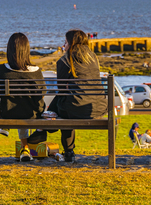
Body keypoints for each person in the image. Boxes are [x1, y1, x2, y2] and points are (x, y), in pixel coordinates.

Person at [28, 29, 107, 162]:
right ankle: (43, 130)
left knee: (64, 104)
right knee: (65, 102)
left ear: (71, 43)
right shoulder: (93, 58)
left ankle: (46, 133)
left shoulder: (64, 61)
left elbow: (61, 90)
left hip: (76, 108)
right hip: (99, 107)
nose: (64, 45)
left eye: (65, 42)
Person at [0, 33, 45, 161]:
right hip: (33, 113)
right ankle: (29, 143)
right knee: (24, 107)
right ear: (27, 50)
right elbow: (41, 93)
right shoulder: (36, 71)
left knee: (18, 107)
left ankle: (22, 144)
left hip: (8, 112)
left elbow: (0, 92)